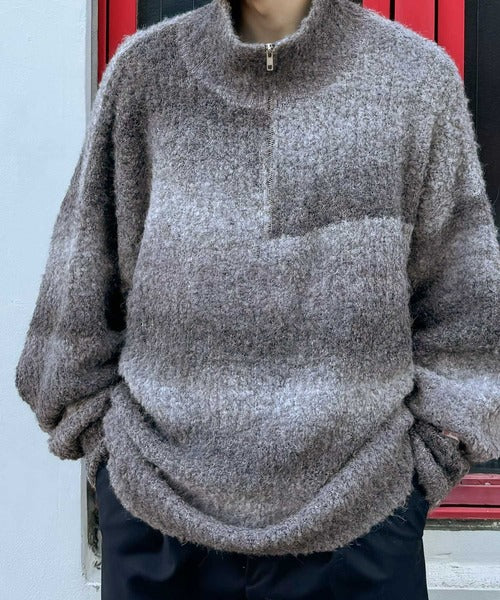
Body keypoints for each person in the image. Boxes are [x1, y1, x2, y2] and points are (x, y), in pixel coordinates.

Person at [15, 0, 500, 598]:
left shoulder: (414, 81)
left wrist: (423, 467)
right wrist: (111, 461)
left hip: (363, 530)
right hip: (157, 527)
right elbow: (76, 301)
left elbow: (467, 314)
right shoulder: (146, 75)